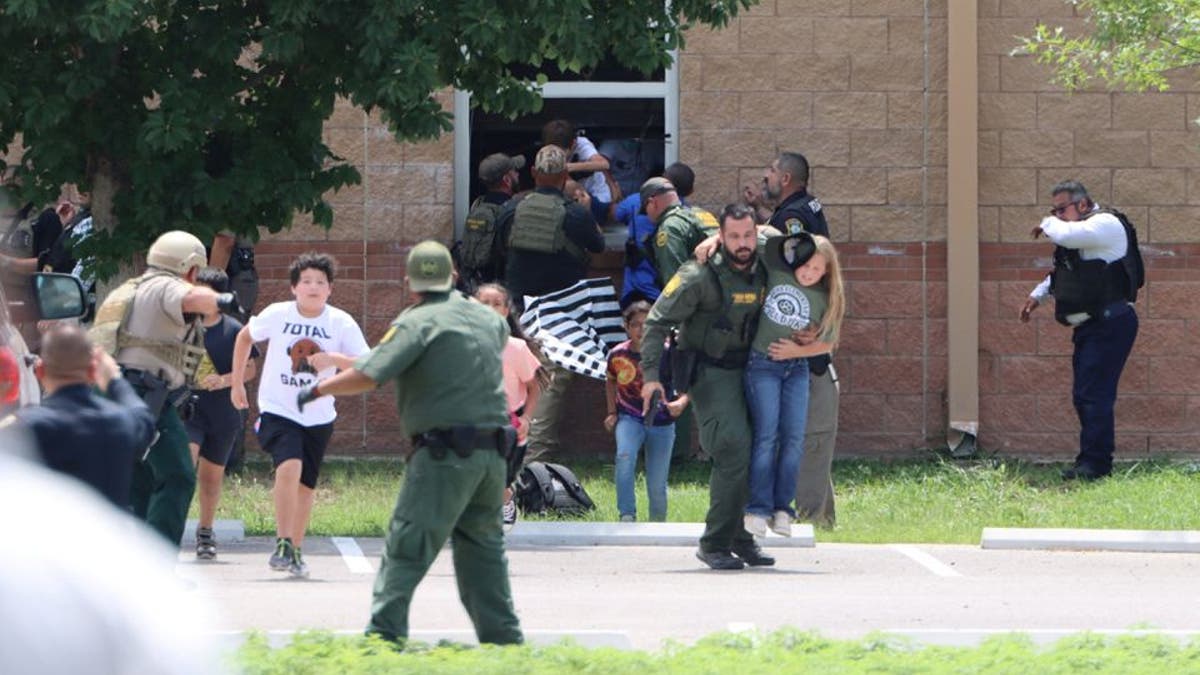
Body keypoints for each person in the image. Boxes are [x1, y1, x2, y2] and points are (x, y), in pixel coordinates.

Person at [297, 240, 523, 646]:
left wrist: (318, 391)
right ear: (454, 277)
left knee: (409, 543)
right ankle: (504, 643)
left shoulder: (417, 322)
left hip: (444, 456)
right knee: (483, 552)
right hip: (493, 459)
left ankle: (383, 638)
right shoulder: (491, 321)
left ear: (410, 284)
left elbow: (370, 373)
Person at [640, 203, 775, 571]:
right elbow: (655, 322)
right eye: (733, 236)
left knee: (760, 452)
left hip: (753, 369)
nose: (742, 243)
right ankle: (714, 542)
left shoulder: (767, 256)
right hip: (710, 372)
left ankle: (741, 538)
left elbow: (799, 242)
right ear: (720, 236)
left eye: (748, 235)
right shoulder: (698, 275)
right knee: (733, 448)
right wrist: (651, 377)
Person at [90, 230, 240, 547]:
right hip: (144, 395)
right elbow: (189, 298)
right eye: (197, 272)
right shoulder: (165, 285)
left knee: (140, 482)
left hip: (127, 393)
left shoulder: (132, 287)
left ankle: (135, 566)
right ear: (189, 267)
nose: (197, 279)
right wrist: (221, 299)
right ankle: (157, 567)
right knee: (178, 476)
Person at [230, 252, 369, 577]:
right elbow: (244, 336)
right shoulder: (277, 314)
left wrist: (333, 357)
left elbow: (369, 362)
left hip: (318, 414)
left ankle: (295, 549)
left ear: (330, 289)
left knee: (306, 486)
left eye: (320, 282)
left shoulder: (340, 322)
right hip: (278, 409)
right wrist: (236, 384)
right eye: (306, 281)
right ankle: (281, 542)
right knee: (289, 466)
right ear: (294, 287)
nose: (313, 287)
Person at [1019, 180, 1140, 481]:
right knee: (1085, 395)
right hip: (1092, 327)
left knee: (1094, 395)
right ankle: (1089, 460)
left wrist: (1047, 222)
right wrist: (1037, 296)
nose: (1057, 216)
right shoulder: (1078, 235)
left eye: (1062, 209)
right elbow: (1065, 271)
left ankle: (1096, 467)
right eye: (1054, 210)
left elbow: (1067, 236)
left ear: (1083, 204)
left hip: (1111, 324)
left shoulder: (1105, 225)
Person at [497, 143, 605, 460]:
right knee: (548, 386)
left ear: (533, 173)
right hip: (561, 315)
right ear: (563, 175)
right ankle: (531, 465)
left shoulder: (512, 209)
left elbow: (501, 249)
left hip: (516, 314)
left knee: (512, 384)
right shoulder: (574, 214)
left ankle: (508, 459)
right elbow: (598, 245)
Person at [748, 151, 839, 528]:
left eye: (770, 171)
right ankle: (823, 521)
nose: (765, 176)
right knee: (808, 443)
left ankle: (812, 520)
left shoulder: (792, 219)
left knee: (808, 441)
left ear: (785, 178)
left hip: (801, 354)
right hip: (803, 350)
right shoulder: (805, 207)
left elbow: (790, 273)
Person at [742, 233, 844, 537]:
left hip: (797, 368)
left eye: (817, 268)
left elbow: (827, 344)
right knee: (766, 437)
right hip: (763, 365)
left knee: (794, 440)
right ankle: (758, 508)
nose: (809, 272)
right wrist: (711, 241)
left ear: (827, 271)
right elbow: (758, 236)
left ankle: (783, 510)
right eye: (806, 264)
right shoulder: (778, 273)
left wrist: (796, 352)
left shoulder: (826, 299)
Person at [6, 324, 155, 507]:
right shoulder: (121, 423)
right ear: (92, 372)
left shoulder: (23, 429)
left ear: (40, 371)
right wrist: (114, 379)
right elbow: (143, 416)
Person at [185, 267, 258, 560]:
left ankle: (205, 531)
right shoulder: (182, 326)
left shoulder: (234, 330)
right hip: (188, 409)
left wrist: (226, 380)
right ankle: (169, 524)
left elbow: (250, 369)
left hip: (222, 412)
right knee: (183, 465)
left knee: (212, 477)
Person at [604, 300, 688, 522]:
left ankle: (658, 524)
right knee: (624, 457)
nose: (642, 330)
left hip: (662, 421)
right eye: (636, 324)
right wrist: (612, 411)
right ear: (626, 327)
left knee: (657, 483)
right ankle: (627, 514)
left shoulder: (669, 352)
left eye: (648, 324)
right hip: (629, 418)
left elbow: (687, 382)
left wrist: (682, 402)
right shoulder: (617, 354)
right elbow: (610, 381)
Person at [475, 282, 546, 531]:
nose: (491, 309)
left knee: (500, 478)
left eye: (497, 304)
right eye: (485, 304)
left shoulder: (516, 348)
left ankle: (505, 501)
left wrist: (526, 418)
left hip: (511, 423)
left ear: (506, 311)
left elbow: (534, 386)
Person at [616, 162, 700, 307]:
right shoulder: (688, 218)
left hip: (634, 289)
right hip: (663, 295)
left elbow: (616, 214)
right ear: (691, 191)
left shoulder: (635, 200)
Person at [457, 153, 525, 292]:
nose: (518, 175)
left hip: (476, 283)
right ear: (507, 179)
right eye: (515, 172)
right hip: (500, 285)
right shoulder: (511, 211)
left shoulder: (477, 205)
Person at [542, 119, 613, 224]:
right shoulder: (548, 151)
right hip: (572, 201)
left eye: (562, 152)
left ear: (573, 144)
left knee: (569, 186)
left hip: (597, 200)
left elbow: (604, 164)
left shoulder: (583, 144)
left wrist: (569, 167)